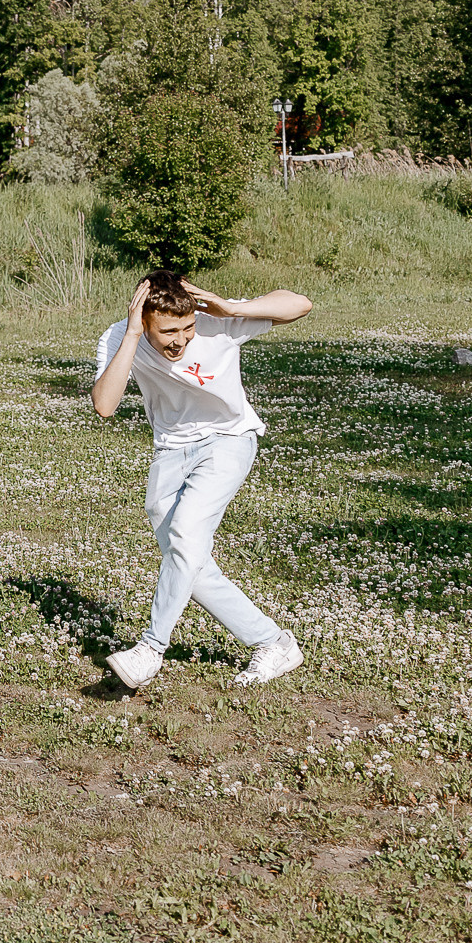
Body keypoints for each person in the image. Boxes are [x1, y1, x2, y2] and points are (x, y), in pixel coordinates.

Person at [90, 267, 314, 692]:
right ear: (143, 320)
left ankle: (150, 649)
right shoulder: (121, 336)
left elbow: (300, 304)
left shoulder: (216, 319)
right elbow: (105, 404)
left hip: (229, 440)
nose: (181, 340)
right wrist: (133, 336)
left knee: (186, 535)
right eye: (168, 331)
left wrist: (229, 307)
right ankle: (273, 643)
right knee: (188, 559)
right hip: (171, 452)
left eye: (187, 328)